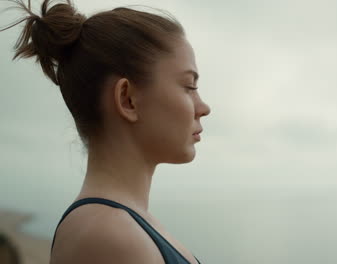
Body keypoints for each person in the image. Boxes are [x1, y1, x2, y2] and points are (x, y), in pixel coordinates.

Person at [0, 0, 211, 263]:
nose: (204, 107)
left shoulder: (124, 225)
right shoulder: (110, 237)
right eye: (189, 86)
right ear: (127, 99)